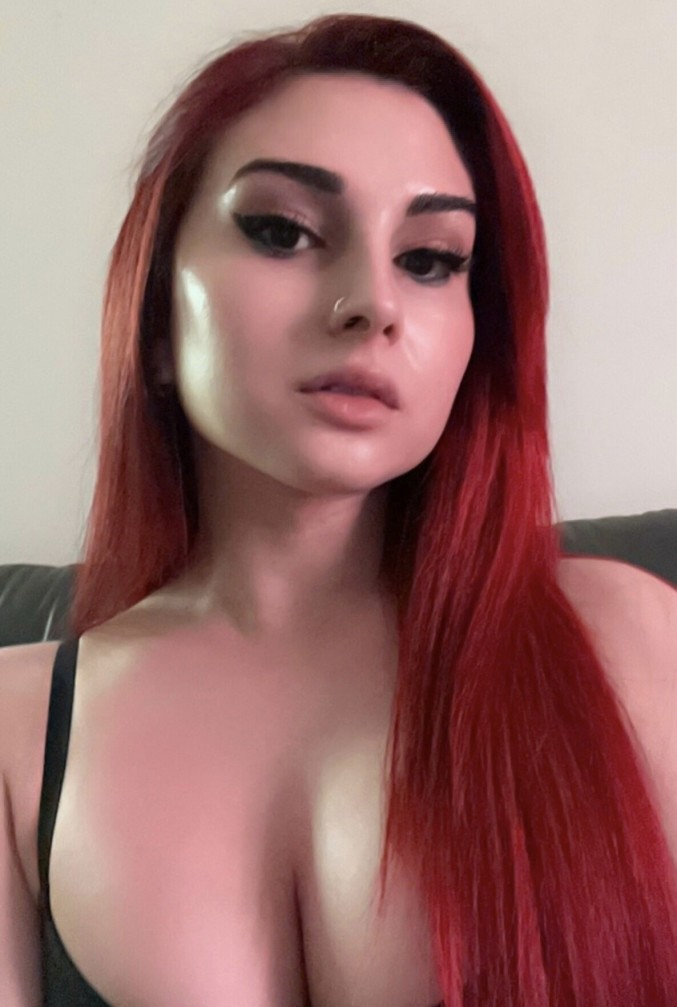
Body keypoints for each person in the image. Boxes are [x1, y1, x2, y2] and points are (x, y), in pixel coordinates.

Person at [1, 12, 676, 1007]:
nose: (371, 302)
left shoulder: (628, 642)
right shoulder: (18, 732)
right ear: (154, 314)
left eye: (430, 258)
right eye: (281, 231)